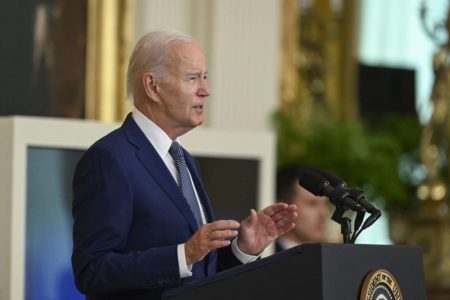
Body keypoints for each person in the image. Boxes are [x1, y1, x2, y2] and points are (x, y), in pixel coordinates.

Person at [71, 30, 298, 300]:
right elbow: (92, 270)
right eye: (192, 78)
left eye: (204, 77)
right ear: (152, 86)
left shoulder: (182, 159)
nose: (205, 90)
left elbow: (199, 270)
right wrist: (183, 254)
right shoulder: (110, 159)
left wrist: (242, 249)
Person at [274, 164, 329, 251]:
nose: (324, 213)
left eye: (325, 204)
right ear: (282, 208)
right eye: (312, 203)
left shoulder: (334, 258)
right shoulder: (263, 259)